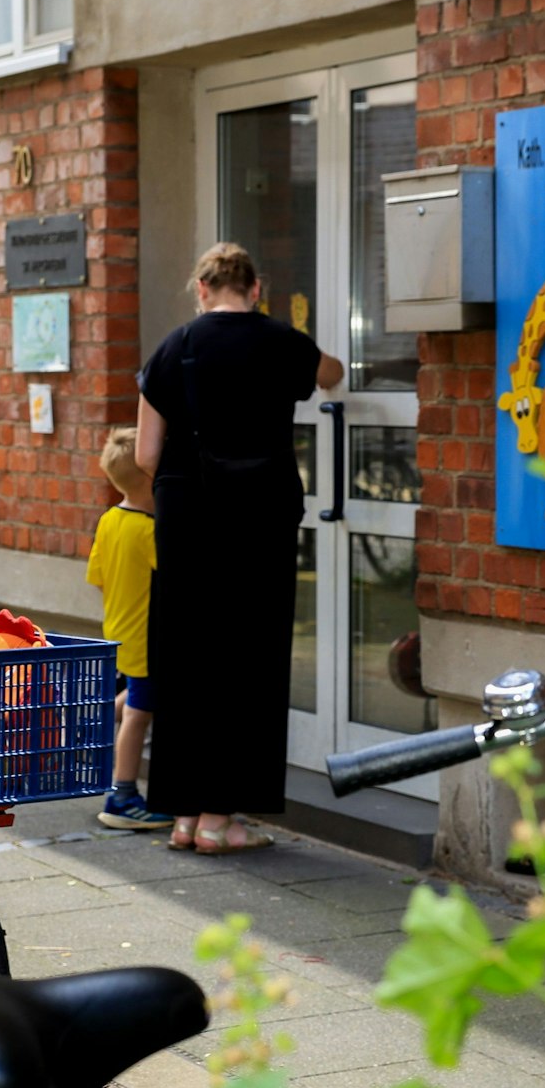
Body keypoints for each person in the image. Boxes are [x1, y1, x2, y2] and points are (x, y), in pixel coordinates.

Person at [135, 242, 342, 856]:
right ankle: (221, 820)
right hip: (258, 519)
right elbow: (331, 374)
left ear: (201, 289)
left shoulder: (174, 347)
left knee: (186, 658)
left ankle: (182, 816)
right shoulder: (281, 341)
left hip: (187, 517)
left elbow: (146, 454)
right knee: (247, 660)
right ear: (256, 289)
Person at [85, 426, 172, 831]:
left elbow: (98, 576)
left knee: (131, 696)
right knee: (140, 712)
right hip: (148, 640)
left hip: (118, 630)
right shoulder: (149, 530)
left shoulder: (109, 521)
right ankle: (122, 795)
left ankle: (91, 727)